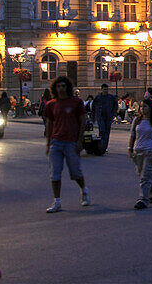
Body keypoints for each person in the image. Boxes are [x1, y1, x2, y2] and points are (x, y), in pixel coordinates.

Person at [41, 76, 90, 213]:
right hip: (56, 142)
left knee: (75, 172)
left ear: (67, 87)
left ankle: (84, 190)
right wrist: (48, 144)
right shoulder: (51, 104)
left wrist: (80, 141)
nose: (61, 88)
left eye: (63, 86)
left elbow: (82, 121)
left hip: (71, 142)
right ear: (55, 88)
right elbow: (50, 124)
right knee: (55, 173)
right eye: (58, 86)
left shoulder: (76, 102)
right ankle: (57, 201)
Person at [128, 97, 152, 209]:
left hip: (150, 151)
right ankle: (151, 193)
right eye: (141, 106)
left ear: (150, 108)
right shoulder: (137, 120)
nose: (142, 109)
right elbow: (132, 135)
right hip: (138, 151)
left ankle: (143, 199)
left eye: (145, 106)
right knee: (142, 175)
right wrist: (130, 148)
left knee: (145, 177)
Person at [90, 84, 118, 153]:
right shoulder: (98, 98)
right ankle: (101, 146)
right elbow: (93, 107)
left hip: (108, 117)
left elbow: (116, 105)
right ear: (101, 89)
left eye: (107, 89)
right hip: (100, 116)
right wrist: (93, 117)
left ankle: (105, 147)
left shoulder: (111, 97)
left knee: (107, 132)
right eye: (104, 89)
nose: (106, 91)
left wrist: (113, 114)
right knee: (102, 130)